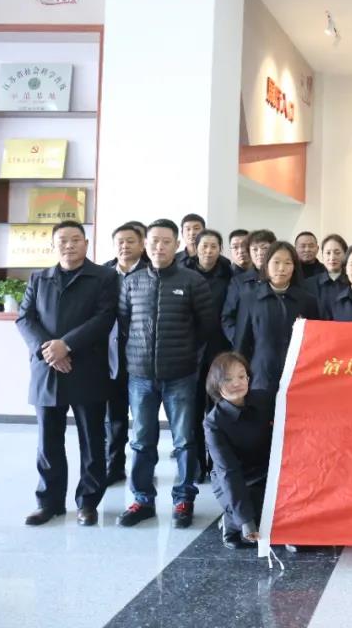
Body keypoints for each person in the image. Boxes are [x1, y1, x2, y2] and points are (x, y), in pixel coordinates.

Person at [17, 221, 118, 527]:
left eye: (76, 239)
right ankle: (49, 503)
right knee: (48, 441)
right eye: (63, 240)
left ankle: (88, 503)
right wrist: (50, 351)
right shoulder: (39, 278)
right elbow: (25, 318)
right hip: (47, 369)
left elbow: (105, 318)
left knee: (92, 440)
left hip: (86, 368)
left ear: (86, 243)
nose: (69, 245)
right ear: (53, 245)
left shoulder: (104, 277)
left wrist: (67, 345)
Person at [117, 218, 216, 529]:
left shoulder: (192, 281)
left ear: (177, 245)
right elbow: (123, 324)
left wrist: (188, 357)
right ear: (146, 244)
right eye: (154, 241)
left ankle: (183, 499)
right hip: (140, 377)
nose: (159, 247)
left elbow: (207, 326)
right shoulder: (132, 281)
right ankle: (142, 500)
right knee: (141, 441)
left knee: (184, 440)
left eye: (166, 241)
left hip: (181, 376)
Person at [203, 352, 273, 549]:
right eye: (228, 379)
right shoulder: (213, 423)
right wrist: (246, 522)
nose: (237, 383)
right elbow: (228, 472)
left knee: (281, 507)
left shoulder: (264, 400)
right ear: (216, 384)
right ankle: (231, 522)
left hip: (265, 473)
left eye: (242, 376)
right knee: (255, 515)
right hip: (232, 479)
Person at [181, 229, 234, 479]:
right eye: (204, 246)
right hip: (189, 352)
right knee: (191, 412)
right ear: (196, 248)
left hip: (218, 351)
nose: (209, 251)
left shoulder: (229, 275)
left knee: (218, 410)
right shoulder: (184, 273)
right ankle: (195, 465)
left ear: (220, 249)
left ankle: (217, 463)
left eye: (214, 246)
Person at [238, 242, 320, 392]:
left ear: (294, 267)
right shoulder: (250, 299)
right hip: (261, 379)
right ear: (266, 265)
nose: (281, 268)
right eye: (276, 262)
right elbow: (242, 343)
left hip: (298, 377)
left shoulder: (307, 300)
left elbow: (315, 342)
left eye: (287, 263)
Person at [102, 222, 149, 485]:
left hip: (142, 355)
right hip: (110, 356)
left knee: (144, 418)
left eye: (131, 241)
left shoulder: (151, 272)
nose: (125, 246)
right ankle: (114, 466)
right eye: (120, 241)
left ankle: (144, 470)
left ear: (142, 245)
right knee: (114, 416)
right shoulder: (103, 274)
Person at [221, 229, 276, 347]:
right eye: (254, 249)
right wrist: (238, 340)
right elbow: (227, 317)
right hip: (247, 347)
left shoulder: (281, 277)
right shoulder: (238, 282)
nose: (260, 253)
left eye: (264, 248)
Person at [304, 234, 348, 314]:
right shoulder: (309, 284)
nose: (332, 257)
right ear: (322, 256)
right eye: (328, 253)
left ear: (345, 255)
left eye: (337, 253)